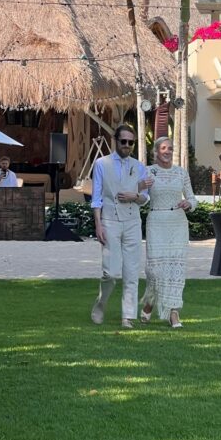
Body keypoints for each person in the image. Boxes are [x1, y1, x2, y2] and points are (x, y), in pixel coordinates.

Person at [90, 125, 151, 330]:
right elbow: (96, 196)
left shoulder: (139, 166)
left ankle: (128, 316)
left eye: (130, 142)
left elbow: (145, 198)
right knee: (111, 272)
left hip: (133, 221)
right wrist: (98, 224)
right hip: (109, 221)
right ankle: (101, 303)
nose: (127, 145)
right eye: (123, 141)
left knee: (132, 272)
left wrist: (135, 195)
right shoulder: (101, 164)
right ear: (115, 140)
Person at [140, 136, 197, 329]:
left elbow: (192, 198)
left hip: (178, 224)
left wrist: (189, 203)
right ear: (156, 151)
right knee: (155, 270)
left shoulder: (181, 173)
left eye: (170, 148)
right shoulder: (148, 171)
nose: (167, 151)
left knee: (175, 271)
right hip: (156, 222)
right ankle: (149, 302)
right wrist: (140, 187)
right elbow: (141, 197)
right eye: (163, 148)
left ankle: (173, 313)